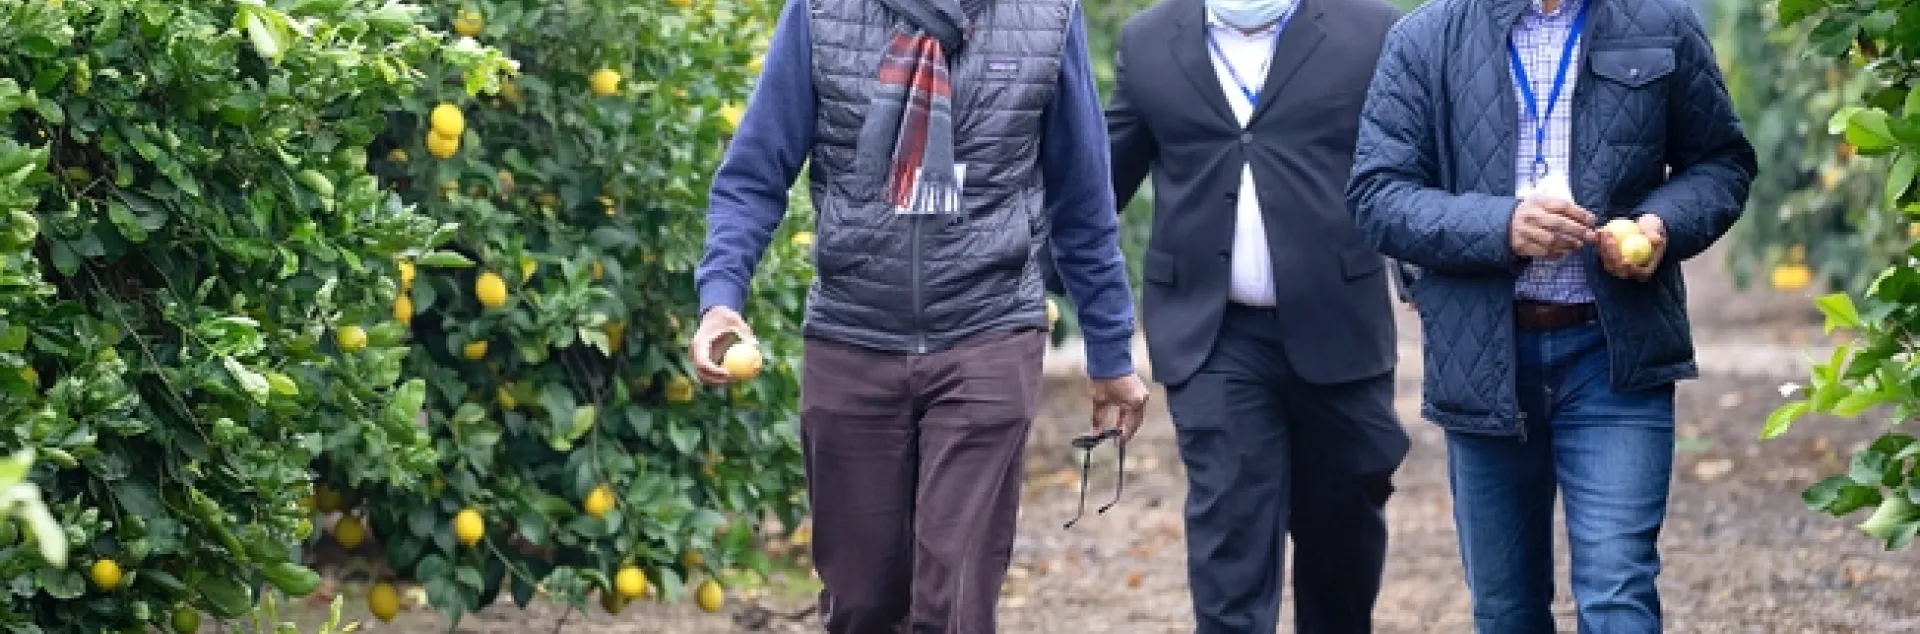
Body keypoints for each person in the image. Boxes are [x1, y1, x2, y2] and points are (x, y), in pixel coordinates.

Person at [688, 0, 1153, 631]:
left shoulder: (1046, 15)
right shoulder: (821, 12)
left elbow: (1084, 202)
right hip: (852, 333)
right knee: (861, 603)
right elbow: (754, 173)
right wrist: (721, 297)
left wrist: (1110, 351)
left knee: (952, 601)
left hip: (989, 330)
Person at [1347, 0, 1757, 631]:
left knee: (1618, 589)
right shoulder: (1425, 38)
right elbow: (1378, 194)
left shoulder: (1661, 21)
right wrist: (1501, 226)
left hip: (1613, 353)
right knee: (1506, 609)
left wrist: (1660, 225)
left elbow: (1720, 163)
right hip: (1484, 359)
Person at [1105, 0, 1410, 631]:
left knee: (1344, 543)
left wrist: (1430, 268)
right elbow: (1099, 182)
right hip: (1214, 335)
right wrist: (1028, 285)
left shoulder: (1371, 31)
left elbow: (1409, 168)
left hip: (1340, 326)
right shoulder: (1149, 40)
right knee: (1229, 541)